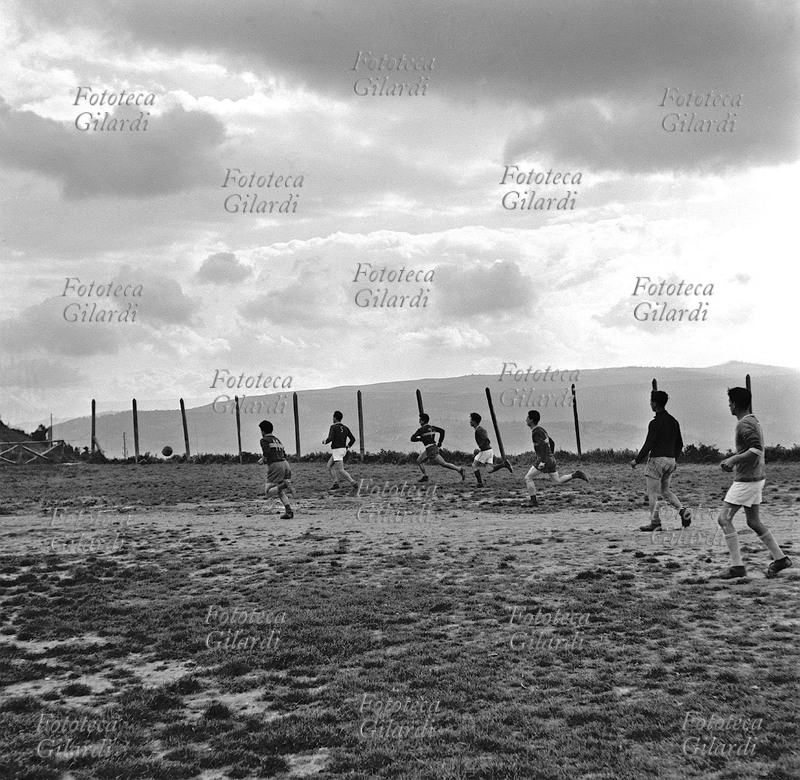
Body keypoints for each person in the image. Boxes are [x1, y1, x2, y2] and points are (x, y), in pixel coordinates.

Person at [715, 387, 791, 579]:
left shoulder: (743, 424)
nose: (729, 405)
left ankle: (737, 566)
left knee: (724, 519)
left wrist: (733, 460)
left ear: (736, 404)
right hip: (757, 478)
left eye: (730, 402)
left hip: (746, 480)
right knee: (753, 521)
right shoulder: (753, 420)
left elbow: (756, 449)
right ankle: (780, 559)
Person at [632, 390, 691, 532]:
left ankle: (655, 522)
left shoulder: (655, 423)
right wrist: (674, 460)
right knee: (665, 491)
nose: (650, 404)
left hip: (657, 460)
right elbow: (680, 444)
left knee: (652, 493)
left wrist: (637, 461)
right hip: (671, 460)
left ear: (655, 403)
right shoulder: (674, 421)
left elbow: (648, 445)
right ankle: (682, 510)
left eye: (651, 402)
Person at [524, 410, 588, 507]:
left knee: (528, 478)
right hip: (550, 459)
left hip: (543, 459)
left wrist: (543, 461)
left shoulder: (536, 432)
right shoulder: (542, 430)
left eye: (527, 418)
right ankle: (576, 474)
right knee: (557, 480)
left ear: (531, 420)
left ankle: (533, 501)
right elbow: (552, 443)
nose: (526, 420)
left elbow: (544, 447)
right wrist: (551, 456)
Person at [411, 413, 465, 483]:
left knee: (443, 463)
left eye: (420, 420)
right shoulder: (432, 427)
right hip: (430, 448)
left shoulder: (420, 430)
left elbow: (412, 438)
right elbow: (442, 431)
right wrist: (440, 442)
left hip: (431, 449)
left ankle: (459, 469)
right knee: (419, 460)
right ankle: (425, 476)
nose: (419, 422)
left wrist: (420, 439)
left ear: (423, 421)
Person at [257, 420, 294, 519]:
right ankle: (289, 511)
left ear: (263, 431)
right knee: (279, 491)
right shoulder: (277, 440)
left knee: (268, 492)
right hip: (285, 464)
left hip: (276, 466)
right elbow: (284, 454)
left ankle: (284, 484)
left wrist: (263, 459)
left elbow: (267, 452)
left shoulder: (264, 440)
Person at [469, 412, 512, 486]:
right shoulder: (480, 429)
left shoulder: (479, 430)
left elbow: (486, 439)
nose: (470, 421)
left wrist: (480, 449)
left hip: (485, 451)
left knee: (474, 465)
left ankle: (480, 483)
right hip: (488, 451)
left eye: (471, 420)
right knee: (490, 470)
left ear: (474, 421)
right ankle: (504, 464)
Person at [323, 411, 358, 492]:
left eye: (333, 417)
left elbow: (331, 438)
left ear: (335, 418)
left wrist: (325, 441)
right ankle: (335, 483)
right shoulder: (345, 428)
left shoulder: (333, 427)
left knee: (341, 470)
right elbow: (353, 439)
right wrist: (348, 446)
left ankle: (353, 482)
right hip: (342, 450)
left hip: (337, 450)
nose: (332, 419)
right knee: (329, 465)